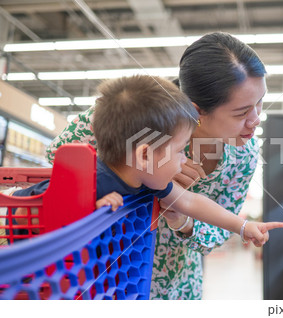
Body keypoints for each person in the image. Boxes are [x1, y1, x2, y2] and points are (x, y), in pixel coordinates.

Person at [46, 32, 267, 299]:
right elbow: (57, 155)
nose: (255, 119)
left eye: (260, 102)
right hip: (102, 271)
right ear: (197, 112)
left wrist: (184, 222)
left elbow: (212, 224)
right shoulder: (139, 112)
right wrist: (132, 172)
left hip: (174, 285)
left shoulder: (243, 154)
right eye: (241, 112)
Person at [13, 75, 283, 246]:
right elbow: (37, 207)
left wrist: (244, 226)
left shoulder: (149, 179)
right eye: (181, 151)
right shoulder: (92, 177)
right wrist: (89, 206)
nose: (184, 161)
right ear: (144, 155)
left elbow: (191, 202)